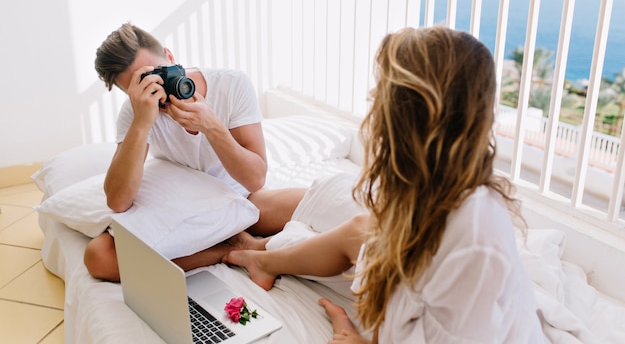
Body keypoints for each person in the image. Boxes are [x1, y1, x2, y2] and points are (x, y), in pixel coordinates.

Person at [224, 27, 544, 343]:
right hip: (417, 297)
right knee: (362, 229)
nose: (372, 98)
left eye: (383, 91)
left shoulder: (474, 236)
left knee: (364, 233)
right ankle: (261, 259)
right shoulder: (429, 182)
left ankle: (261, 255)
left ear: (410, 114)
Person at [84, 22, 306, 282]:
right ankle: (229, 249)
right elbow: (118, 201)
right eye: (141, 84)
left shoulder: (230, 84)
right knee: (99, 257)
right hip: (186, 208)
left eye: (156, 73)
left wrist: (211, 126)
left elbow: (256, 178)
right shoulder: (136, 113)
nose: (156, 87)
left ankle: (232, 235)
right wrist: (142, 123)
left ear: (170, 57)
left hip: (242, 198)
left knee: (317, 201)